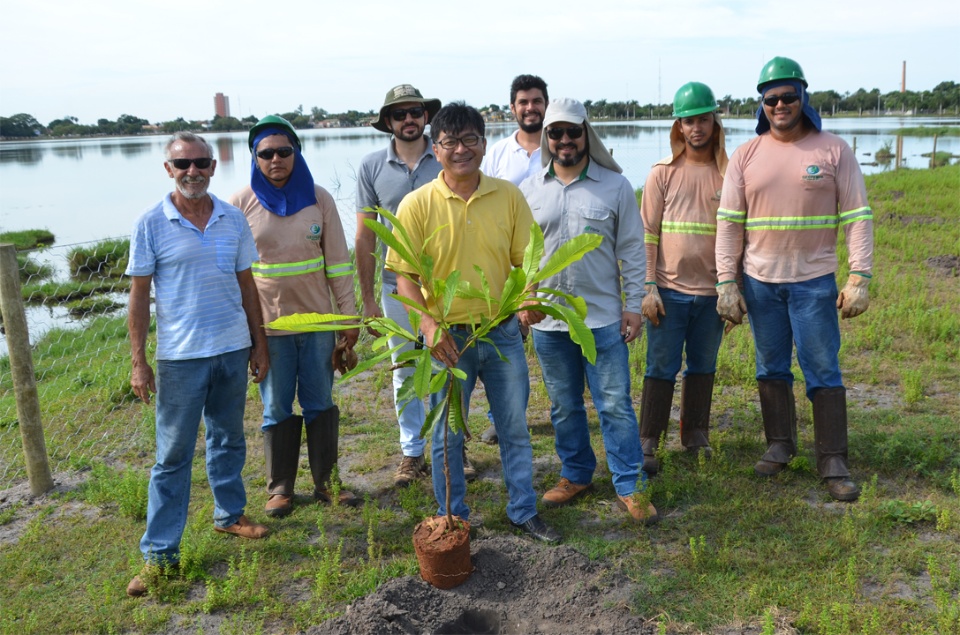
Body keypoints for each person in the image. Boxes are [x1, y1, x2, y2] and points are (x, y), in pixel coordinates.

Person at [385, 102, 561, 544]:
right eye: (449, 142)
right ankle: (454, 518)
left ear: (483, 145)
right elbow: (403, 278)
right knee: (447, 434)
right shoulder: (416, 204)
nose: (460, 149)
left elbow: (527, 262)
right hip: (447, 338)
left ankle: (523, 510)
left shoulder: (508, 196)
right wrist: (428, 325)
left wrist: (529, 299)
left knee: (514, 428)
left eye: (470, 140)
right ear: (436, 148)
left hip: (499, 332)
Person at [715, 57, 873, 502]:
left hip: (814, 283)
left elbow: (858, 217)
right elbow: (728, 223)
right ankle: (780, 446)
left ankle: (833, 460)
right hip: (760, 284)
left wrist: (859, 276)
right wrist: (727, 283)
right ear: (761, 104)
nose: (780, 105)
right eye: (771, 99)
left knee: (822, 367)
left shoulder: (833, 150)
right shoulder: (745, 156)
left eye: (788, 96)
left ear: (803, 97)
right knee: (770, 367)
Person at [126, 132, 270, 597]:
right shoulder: (151, 223)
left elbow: (248, 285)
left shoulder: (232, 218)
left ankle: (230, 515)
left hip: (231, 348)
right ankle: (159, 554)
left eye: (202, 163)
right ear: (168, 169)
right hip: (180, 359)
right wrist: (138, 362)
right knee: (172, 457)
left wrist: (258, 342)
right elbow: (139, 297)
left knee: (228, 439)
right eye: (183, 164)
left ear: (212, 166)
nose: (193, 172)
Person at [519, 97, 658, 525]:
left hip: (602, 318)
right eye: (555, 133)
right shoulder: (529, 189)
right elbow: (521, 254)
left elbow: (633, 251)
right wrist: (524, 299)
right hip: (550, 321)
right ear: (547, 138)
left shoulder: (615, 186)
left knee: (614, 403)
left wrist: (633, 306)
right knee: (563, 405)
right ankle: (576, 473)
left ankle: (630, 484)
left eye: (572, 132)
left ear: (586, 134)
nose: (564, 140)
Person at [229, 115, 360, 517]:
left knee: (320, 401)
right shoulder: (240, 203)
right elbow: (236, 274)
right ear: (255, 157)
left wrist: (348, 320)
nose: (275, 160)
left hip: (319, 324)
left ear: (296, 153)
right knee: (276, 407)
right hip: (270, 328)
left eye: (284, 151)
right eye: (265, 153)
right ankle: (280, 488)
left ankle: (327, 483)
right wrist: (249, 335)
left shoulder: (320, 199)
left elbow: (338, 263)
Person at [355, 85, 481, 486]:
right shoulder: (371, 167)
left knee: (452, 366)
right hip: (397, 286)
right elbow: (365, 236)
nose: (408, 119)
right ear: (388, 122)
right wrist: (369, 299)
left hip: (448, 290)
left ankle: (455, 447)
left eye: (415, 111)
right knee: (404, 368)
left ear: (426, 116)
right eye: (399, 114)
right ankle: (412, 452)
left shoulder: (448, 154)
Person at [638, 82, 729, 474]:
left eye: (703, 119)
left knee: (703, 365)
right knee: (660, 365)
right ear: (679, 126)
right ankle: (648, 441)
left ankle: (695, 434)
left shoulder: (730, 175)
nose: (696, 128)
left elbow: (737, 236)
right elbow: (647, 234)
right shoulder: (662, 173)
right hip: (669, 293)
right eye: (689, 121)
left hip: (713, 294)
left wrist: (732, 289)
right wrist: (647, 286)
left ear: (714, 122)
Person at [477, 73, 548, 445]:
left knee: (554, 339)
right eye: (523, 102)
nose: (530, 107)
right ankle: (503, 417)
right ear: (513, 108)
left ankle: (562, 408)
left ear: (545, 105)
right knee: (508, 343)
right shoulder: (498, 155)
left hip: (554, 256)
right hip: (509, 263)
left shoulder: (561, 144)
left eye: (536, 100)